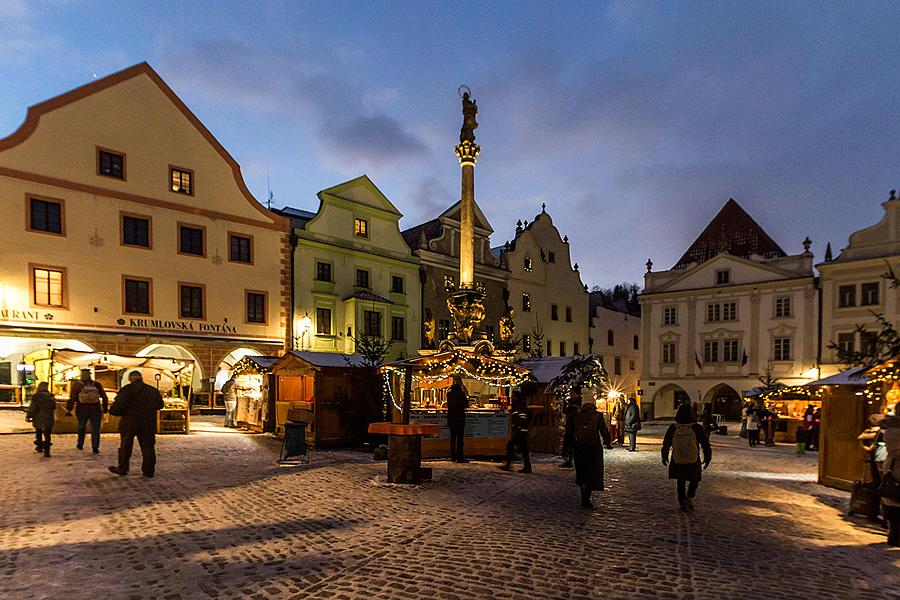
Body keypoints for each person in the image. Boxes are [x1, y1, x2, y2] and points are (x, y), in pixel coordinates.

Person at [108, 370, 164, 477]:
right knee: (148, 448)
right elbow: (159, 405)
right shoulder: (152, 390)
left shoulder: (126, 390)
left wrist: (114, 411)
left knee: (125, 447)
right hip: (147, 423)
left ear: (130, 379)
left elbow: (117, 407)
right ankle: (148, 470)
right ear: (141, 378)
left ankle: (123, 468)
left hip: (129, 423)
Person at [661, 404, 712, 511]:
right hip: (693, 459)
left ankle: (682, 500)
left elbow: (666, 443)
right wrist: (707, 457)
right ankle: (690, 495)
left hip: (677, 458)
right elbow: (705, 444)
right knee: (695, 479)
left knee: (681, 481)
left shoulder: (673, 427)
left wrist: (664, 455)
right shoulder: (696, 427)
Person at [573, 398, 612, 508]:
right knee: (592, 471)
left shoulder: (577, 415)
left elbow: (571, 431)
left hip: (579, 447)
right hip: (593, 447)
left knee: (582, 471)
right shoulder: (597, 415)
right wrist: (608, 442)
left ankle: (583, 493)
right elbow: (604, 430)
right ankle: (587, 497)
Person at [66, 368, 109, 453]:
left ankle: (80, 444)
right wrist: (105, 408)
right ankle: (95, 446)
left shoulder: (77, 385)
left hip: (81, 409)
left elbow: (72, 398)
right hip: (96, 409)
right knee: (96, 429)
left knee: (81, 427)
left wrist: (69, 409)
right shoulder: (97, 384)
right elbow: (104, 397)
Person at [859, 415, 888, 525]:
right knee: (885, 489)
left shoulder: (870, 432)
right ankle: (886, 519)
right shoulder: (882, 431)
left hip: (875, 459)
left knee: (876, 486)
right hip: (883, 462)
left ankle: (872, 514)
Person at [880, 403, 900, 546]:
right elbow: (895, 451)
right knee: (895, 501)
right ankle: (895, 535)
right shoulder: (893, 429)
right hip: (897, 471)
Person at [501, 390, 532, 473]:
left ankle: (509, 465)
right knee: (521, 449)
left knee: (511, 446)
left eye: (513, 396)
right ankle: (526, 467)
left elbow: (523, 417)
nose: (512, 398)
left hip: (520, 431)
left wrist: (517, 425)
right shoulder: (518, 405)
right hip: (520, 431)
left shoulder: (520, 406)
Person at [26, 382, 57, 457]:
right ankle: (47, 450)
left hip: (38, 417)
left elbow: (33, 407)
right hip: (49, 418)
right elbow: (54, 407)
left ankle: (39, 446)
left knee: (38, 432)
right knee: (47, 434)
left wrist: (29, 415)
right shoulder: (51, 396)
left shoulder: (36, 396)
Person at [446, 377, 468, 463]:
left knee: (452, 438)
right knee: (459, 439)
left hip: (451, 419)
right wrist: (464, 393)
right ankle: (460, 456)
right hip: (460, 419)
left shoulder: (449, 395)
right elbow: (466, 405)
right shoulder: (461, 394)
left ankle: (453, 456)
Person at [560, 391, 580, 468]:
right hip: (569, 426)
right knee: (569, 444)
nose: (571, 394)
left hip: (573, 427)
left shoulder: (577, 404)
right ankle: (569, 460)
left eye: (572, 393)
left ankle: (570, 461)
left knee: (571, 444)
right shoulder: (570, 403)